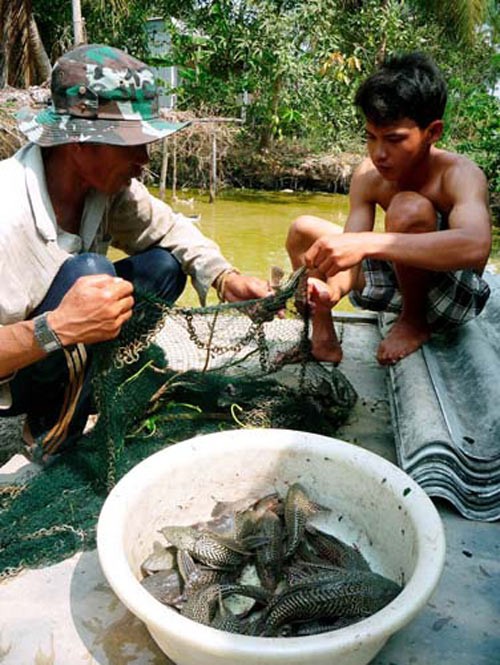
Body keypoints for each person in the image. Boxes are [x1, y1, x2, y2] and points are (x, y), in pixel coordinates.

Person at [0, 44, 271, 460]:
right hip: (13, 375)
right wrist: (57, 327)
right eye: (131, 144)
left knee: (164, 266)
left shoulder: (109, 192)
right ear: (79, 144)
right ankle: (48, 425)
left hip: (60, 344)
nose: (144, 159)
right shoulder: (7, 214)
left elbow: (171, 230)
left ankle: (89, 390)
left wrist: (224, 278)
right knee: (92, 271)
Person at [286, 51, 492, 366]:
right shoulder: (368, 175)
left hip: (449, 298)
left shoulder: (459, 174)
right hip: (396, 280)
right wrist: (332, 292)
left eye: (394, 139)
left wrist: (369, 243)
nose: (379, 153)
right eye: (371, 137)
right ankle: (323, 334)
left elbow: (476, 246)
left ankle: (413, 321)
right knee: (304, 231)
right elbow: (348, 255)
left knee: (406, 207)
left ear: (432, 133)